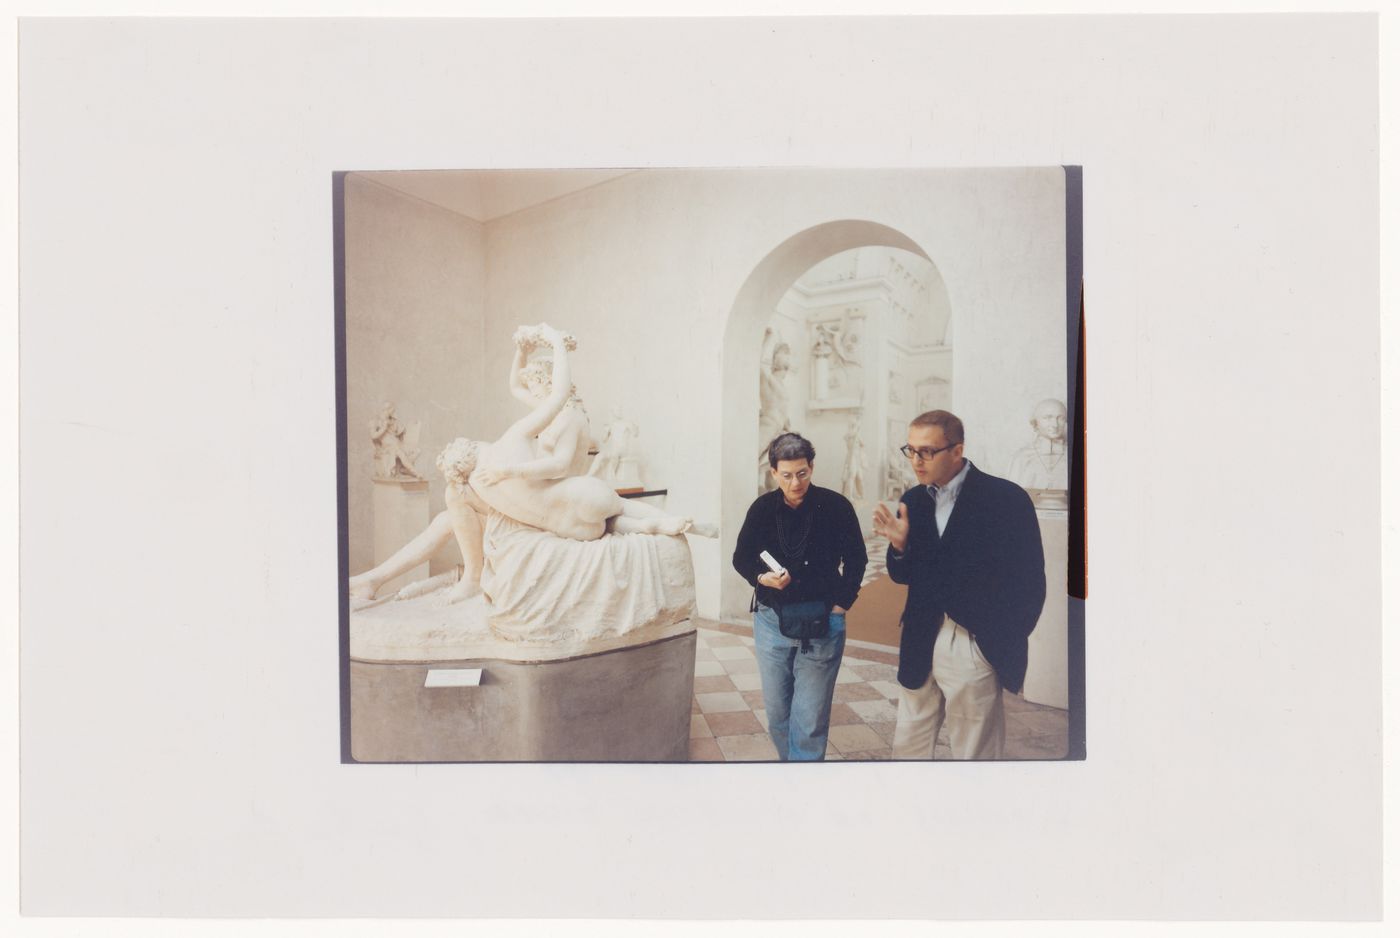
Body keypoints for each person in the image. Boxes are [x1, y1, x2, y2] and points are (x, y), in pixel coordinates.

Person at [872, 410, 1046, 760]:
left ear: (957, 450)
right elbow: (901, 575)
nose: (916, 462)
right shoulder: (914, 500)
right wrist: (899, 548)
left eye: (927, 452)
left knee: (975, 750)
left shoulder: (1006, 499)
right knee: (909, 745)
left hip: (972, 640)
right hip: (921, 635)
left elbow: (1029, 583)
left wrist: (993, 643)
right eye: (911, 450)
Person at [470, 324, 708, 540]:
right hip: (561, 494)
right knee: (615, 516)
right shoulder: (553, 412)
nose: (531, 391)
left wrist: (508, 472)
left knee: (617, 512)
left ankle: (664, 523)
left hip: (562, 492)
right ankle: (657, 524)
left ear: (548, 383)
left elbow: (560, 463)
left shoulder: (570, 417)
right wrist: (522, 350)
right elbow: (515, 387)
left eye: (534, 384)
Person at [733, 432, 867, 761]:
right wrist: (762, 577)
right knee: (778, 714)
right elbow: (741, 557)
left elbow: (857, 560)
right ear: (773, 472)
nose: (796, 483)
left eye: (803, 473)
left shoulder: (836, 506)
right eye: (788, 475)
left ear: (812, 467)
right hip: (771, 619)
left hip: (823, 620)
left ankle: (803, 785)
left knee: (809, 719)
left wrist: (840, 606)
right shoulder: (762, 509)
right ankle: (789, 769)